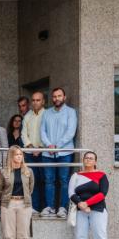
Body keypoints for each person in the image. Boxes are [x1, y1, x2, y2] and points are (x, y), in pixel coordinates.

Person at [69, 152, 111, 239]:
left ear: (95, 161)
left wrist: (86, 203)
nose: (88, 160)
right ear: (83, 160)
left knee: (101, 238)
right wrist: (80, 204)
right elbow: (71, 193)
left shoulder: (101, 175)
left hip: (98, 210)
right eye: (86, 158)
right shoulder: (76, 175)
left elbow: (102, 193)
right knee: (80, 238)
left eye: (91, 158)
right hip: (81, 210)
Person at [40, 87, 78, 219]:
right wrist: (48, 145)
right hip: (48, 153)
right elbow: (42, 131)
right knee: (49, 180)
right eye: (54, 96)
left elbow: (70, 132)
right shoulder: (46, 113)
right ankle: (50, 207)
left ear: (64, 97)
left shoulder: (71, 112)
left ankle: (63, 208)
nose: (56, 98)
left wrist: (57, 146)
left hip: (65, 153)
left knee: (64, 180)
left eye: (59, 96)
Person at [0, 146, 34, 239]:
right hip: (8, 204)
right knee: (9, 235)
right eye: (16, 154)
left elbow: (31, 188)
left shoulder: (28, 171)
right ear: (11, 156)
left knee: (24, 235)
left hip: (24, 204)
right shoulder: (3, 172)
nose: (19, 156)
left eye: (20, 154)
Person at [22, 91, 46, 213]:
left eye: (38, 100)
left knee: (46, 180)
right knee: (33, 181)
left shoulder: (47, 114)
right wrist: (32, 148)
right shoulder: (27, 116)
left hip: (45, 153)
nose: (35, 102)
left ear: (43, 101)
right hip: (30, 154)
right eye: (33, 100)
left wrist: (40, 148)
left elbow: (48, 134)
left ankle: (46, 207)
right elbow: (24, 134)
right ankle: (35, 207)